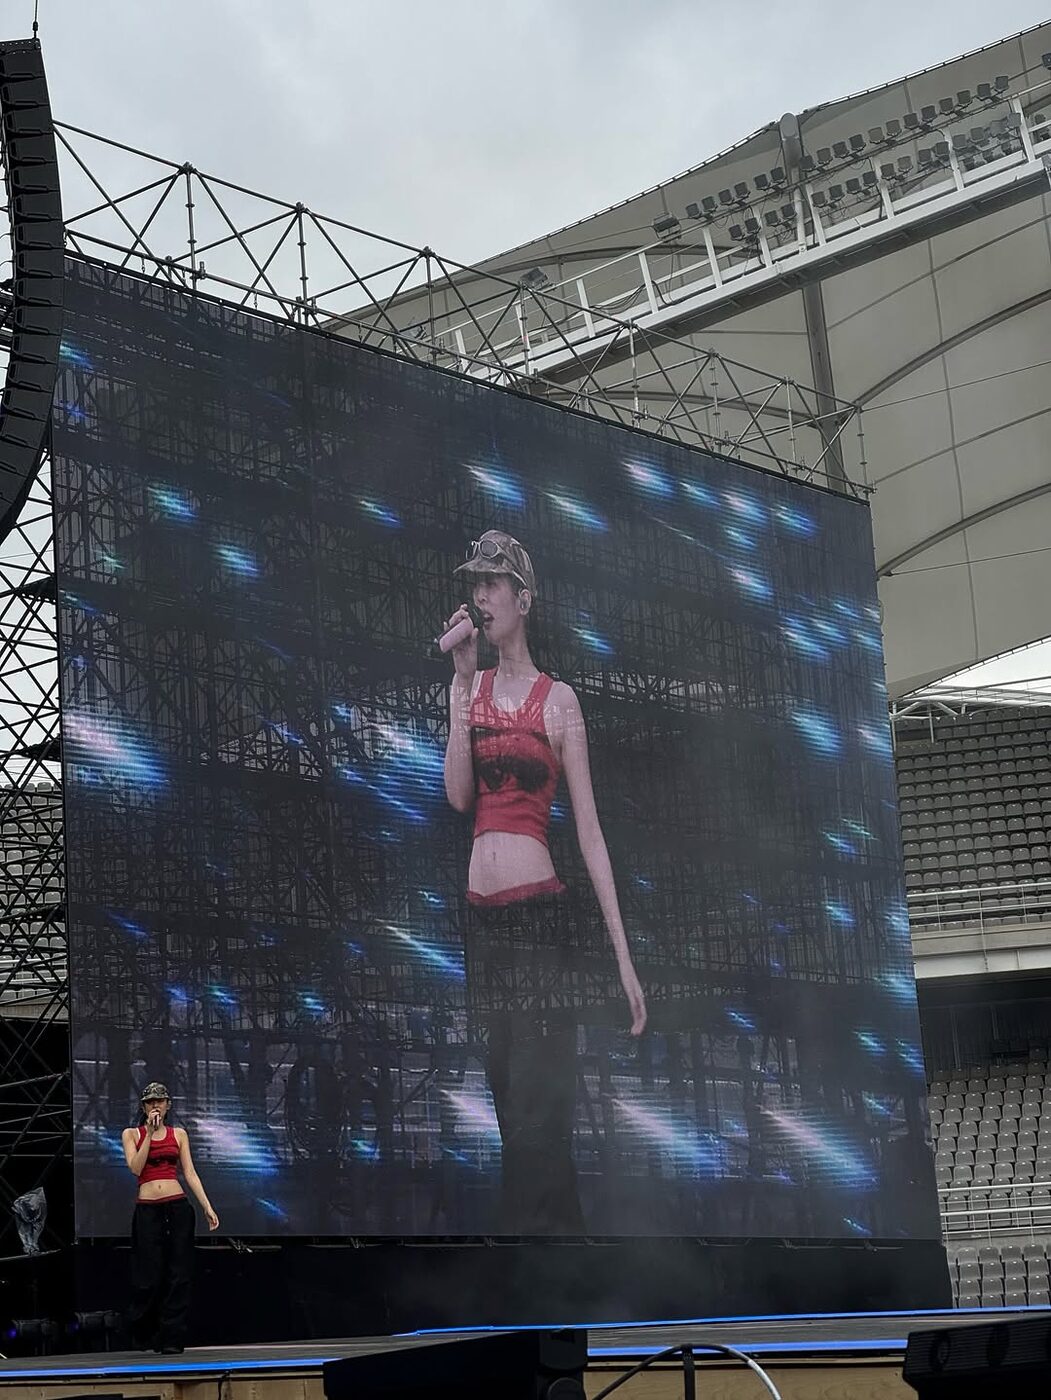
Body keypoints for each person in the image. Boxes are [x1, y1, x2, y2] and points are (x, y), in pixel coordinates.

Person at [442, 529, 646, 1233]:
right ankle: (561, 1265)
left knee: (535, 1106)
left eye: (493, 583)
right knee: (512, 1106)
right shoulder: (469, 687)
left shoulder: (559, 702)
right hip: (485, 927)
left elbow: (589, 832)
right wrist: (460, 684)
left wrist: (623, 959)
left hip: (538, 923)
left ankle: (531, 1266)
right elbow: (458, 797)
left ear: (523, 599)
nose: (481, 595)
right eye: (475, 584)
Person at [120, 1082, 219, 1353]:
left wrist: (207, 1206)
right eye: (150, 1102)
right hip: (148, 1207)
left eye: (160, 1101)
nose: (155, 1105)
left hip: (176, 1206)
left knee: (179, 1272)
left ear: (168, 1105)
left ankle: (172, 1336)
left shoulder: (179, 1134)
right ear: (144, 1107)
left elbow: (190, 1172)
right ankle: (147, 1333)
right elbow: (135, 1167)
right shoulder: (132, 1134)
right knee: (149, 1272)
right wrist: (150, 1135)